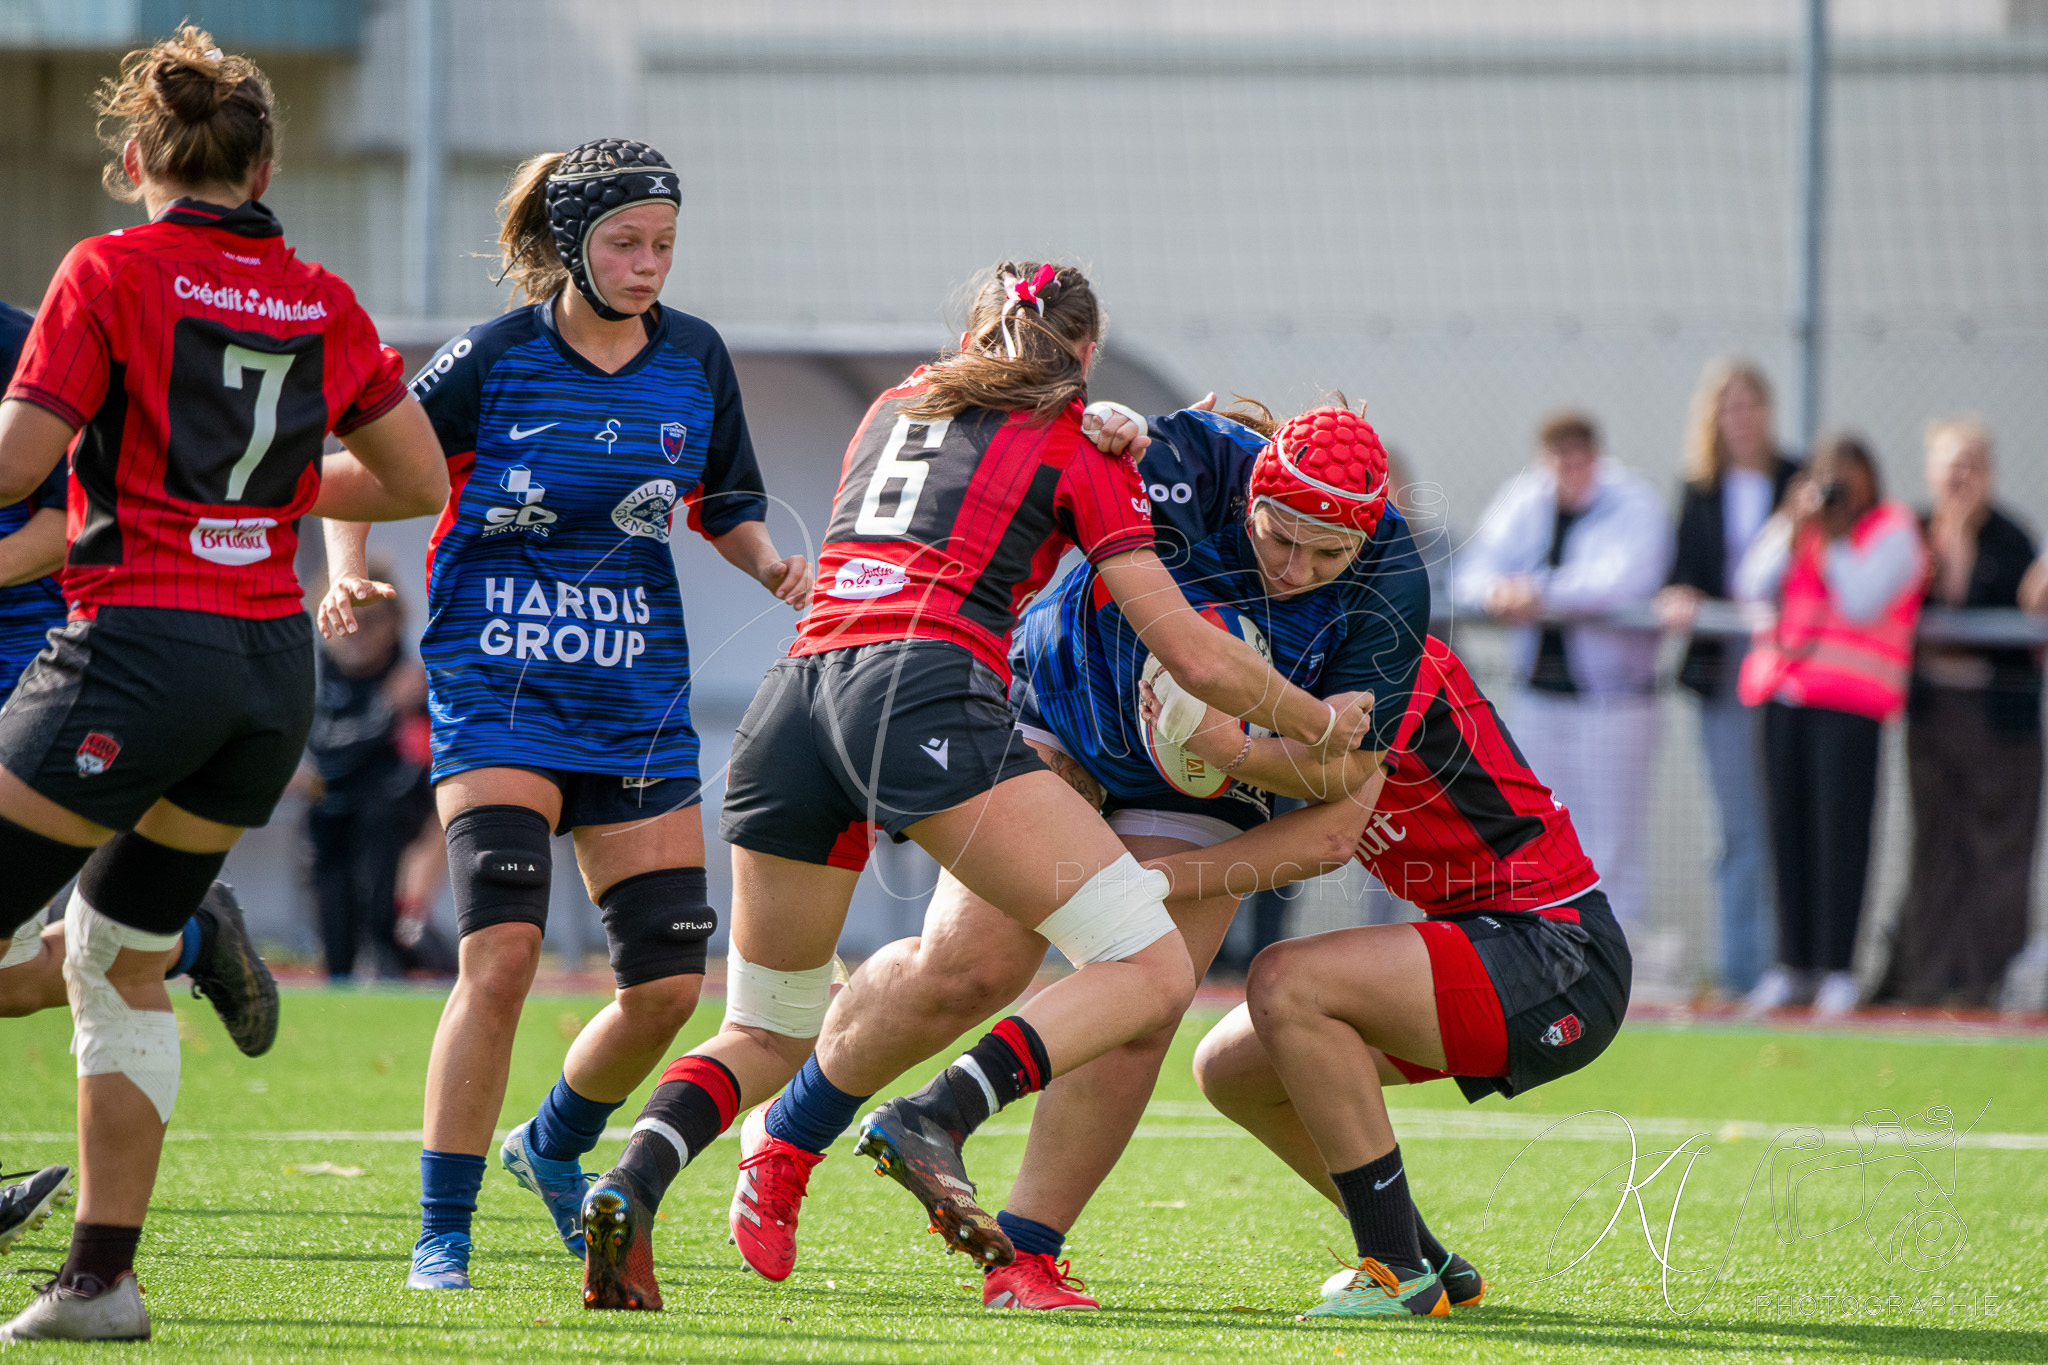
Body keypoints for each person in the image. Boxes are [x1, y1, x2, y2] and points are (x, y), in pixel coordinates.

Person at [577, 262, 1375, 1311]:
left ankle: (635, 1176)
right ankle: (929, 1116)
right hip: (927, 696)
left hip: (792, 702)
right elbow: (1193, 654)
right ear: (1084, 357)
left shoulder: (891, 403)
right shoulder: (1071, 444)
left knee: (766, 1024)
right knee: (1135, 968)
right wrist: (1317, 723)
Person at [721, 396, 1428, 1306]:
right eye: (1278, 535)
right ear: (1252, 487)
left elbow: (1345, 780)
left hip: (1205, 783)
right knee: (971, 964)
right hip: (1059, 707)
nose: (1296, 569)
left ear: (1363, 539)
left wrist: (1229, 749)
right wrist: (1093, 423)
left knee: (1142, 996)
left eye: (1326, 554)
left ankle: (1024, 1253)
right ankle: (787, 1131)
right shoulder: (1186, 457)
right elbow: (1059, 475)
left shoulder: (1394, 578)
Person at [0, 28, 447, 1342]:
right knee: (116, 953)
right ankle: (99, 1283)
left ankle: (100, 1277)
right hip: (265, 675)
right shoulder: (321, 297)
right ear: (264, 165)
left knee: (97, 950)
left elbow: (20, 462)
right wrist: (253, 490)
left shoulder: (109, 271)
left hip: (135, 652)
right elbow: (415, 479)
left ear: (134, 158)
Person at [319, 137, 812, 1292]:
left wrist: (774, 568)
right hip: (496, 688)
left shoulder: (693, 356)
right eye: (626, 244)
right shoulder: (490, 360)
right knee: (499, 957)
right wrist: (345, 561)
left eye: (664, 246)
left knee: (665, 990)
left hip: (634, 696)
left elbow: (723, 503)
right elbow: (363, 461)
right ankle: (441, 1231)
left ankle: (547, 1145)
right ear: (567, 247)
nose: (648, 266)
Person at [1189, 635, 1631, 1318]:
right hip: (1497, 941)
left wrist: (1157, 874)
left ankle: (1396, 1269)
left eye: (1324, 549)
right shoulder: (1284, 668)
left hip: (1558, 948)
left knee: (1287, 981)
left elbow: (1329, 839)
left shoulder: (1384, 651)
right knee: (1230, 1068)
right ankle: (1425, 1259)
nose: (1294, 568)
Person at [1450, 410, 1670, 937]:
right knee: (1542, 827)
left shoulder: (1633, 502)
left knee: (1613, 840)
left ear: (1595, 455)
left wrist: (1537, 592)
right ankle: (1554, 941)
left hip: (1614, 700)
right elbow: (1470, 574)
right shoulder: (1526, 497)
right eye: (1558, 457)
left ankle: (1620, 948)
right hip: (1541, 697)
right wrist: (1497, 592)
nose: (1569, 468)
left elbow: (1619, 581)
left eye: (1579, 456)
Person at [1736, 433, 1926, 1018]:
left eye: (1849, 476)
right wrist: (1793, 525)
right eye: (1828, 476)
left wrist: (1837, 535)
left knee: (1839, 837)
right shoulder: (1802, 527)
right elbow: (1749, 583)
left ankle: (1839, 968)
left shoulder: (1893, 530)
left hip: (1850, 706)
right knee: (1786, 833)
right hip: (1786, 698)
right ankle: (1792, 964)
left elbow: (1863, 598)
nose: (1838, 489)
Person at [1875, 420, 2040, 1008]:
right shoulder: (1911, 533)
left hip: (1999, 725)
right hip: (1932, 717)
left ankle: (1985, 984)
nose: (1960, 475)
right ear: (1930, 470)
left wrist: (1968, 539)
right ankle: (1925, 981)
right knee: (1934, 851)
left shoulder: (2011, 539)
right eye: (1951, 463)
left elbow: (2006, 611)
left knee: (1997, 856)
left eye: (1972, 463)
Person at [1655, 360, 1801, 997]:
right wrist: (1682, 598)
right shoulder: (1699, 489)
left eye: (1751, 403)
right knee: (1738, 827)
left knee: (1788, 819)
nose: (1741, 417)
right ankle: (1745, 971)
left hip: (1791, 667)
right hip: (1725, 673)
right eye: (1729, 406)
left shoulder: (1797, 480)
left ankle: (1793, 966)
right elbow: (1684, 574)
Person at [301, 571, 435, 981]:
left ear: (395, 623)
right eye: (347, 621)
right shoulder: (313, 680)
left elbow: (424, 775)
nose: (357, 634)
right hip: (329, 820)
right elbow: (325, 755)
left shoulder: (417, 682)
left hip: (394, 828)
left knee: (385, 922)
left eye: (373, 621)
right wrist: (383, 709)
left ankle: (404, 961)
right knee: (336, 937)